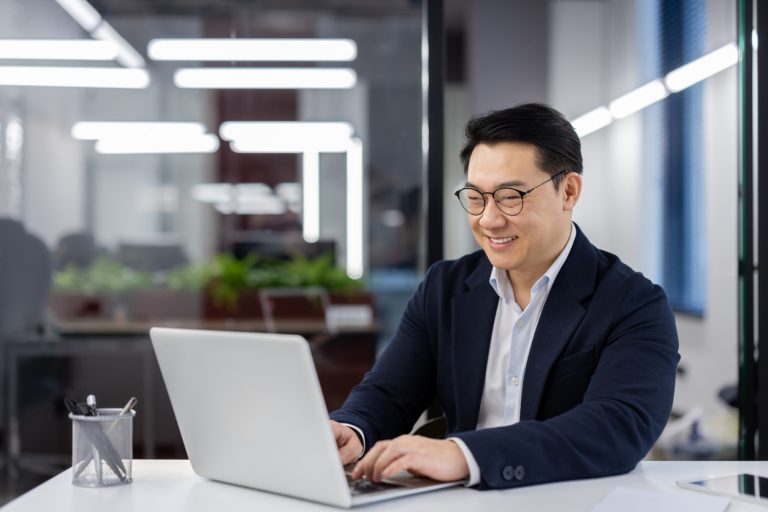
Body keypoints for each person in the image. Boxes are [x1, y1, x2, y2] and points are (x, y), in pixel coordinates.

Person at [329, 103, 680, 489]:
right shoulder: (444, 288)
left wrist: (466, 454)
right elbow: (390, 392)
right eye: (476, 198)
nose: (489, 220)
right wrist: (352, 429)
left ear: (569, 191)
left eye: (511, 196)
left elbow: (616, 426)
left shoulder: (633, 303)